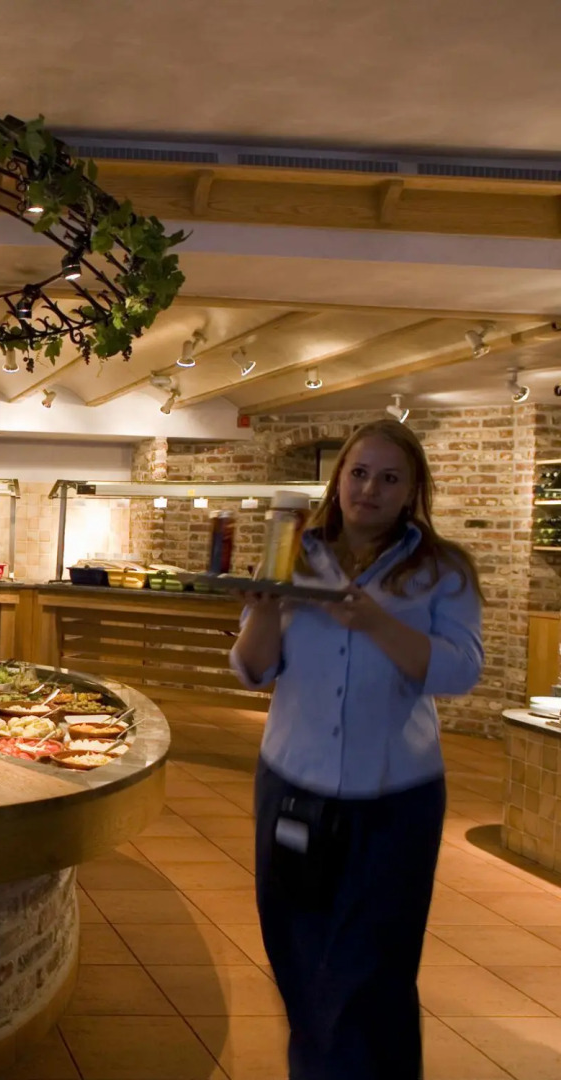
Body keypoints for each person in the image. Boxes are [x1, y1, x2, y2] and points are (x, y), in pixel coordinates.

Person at [230, 418, 484, 1080]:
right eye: (359, 473)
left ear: (411, 493)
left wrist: (372, 620)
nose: (370, 489)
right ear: (338, 479)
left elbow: (461, 670)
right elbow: (253, 669)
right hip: (293, 787)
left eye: (389, 478)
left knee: (375, 967)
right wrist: (261, 608)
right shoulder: (292, 556)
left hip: (395, 798)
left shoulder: (442, 570)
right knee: (299, 956)